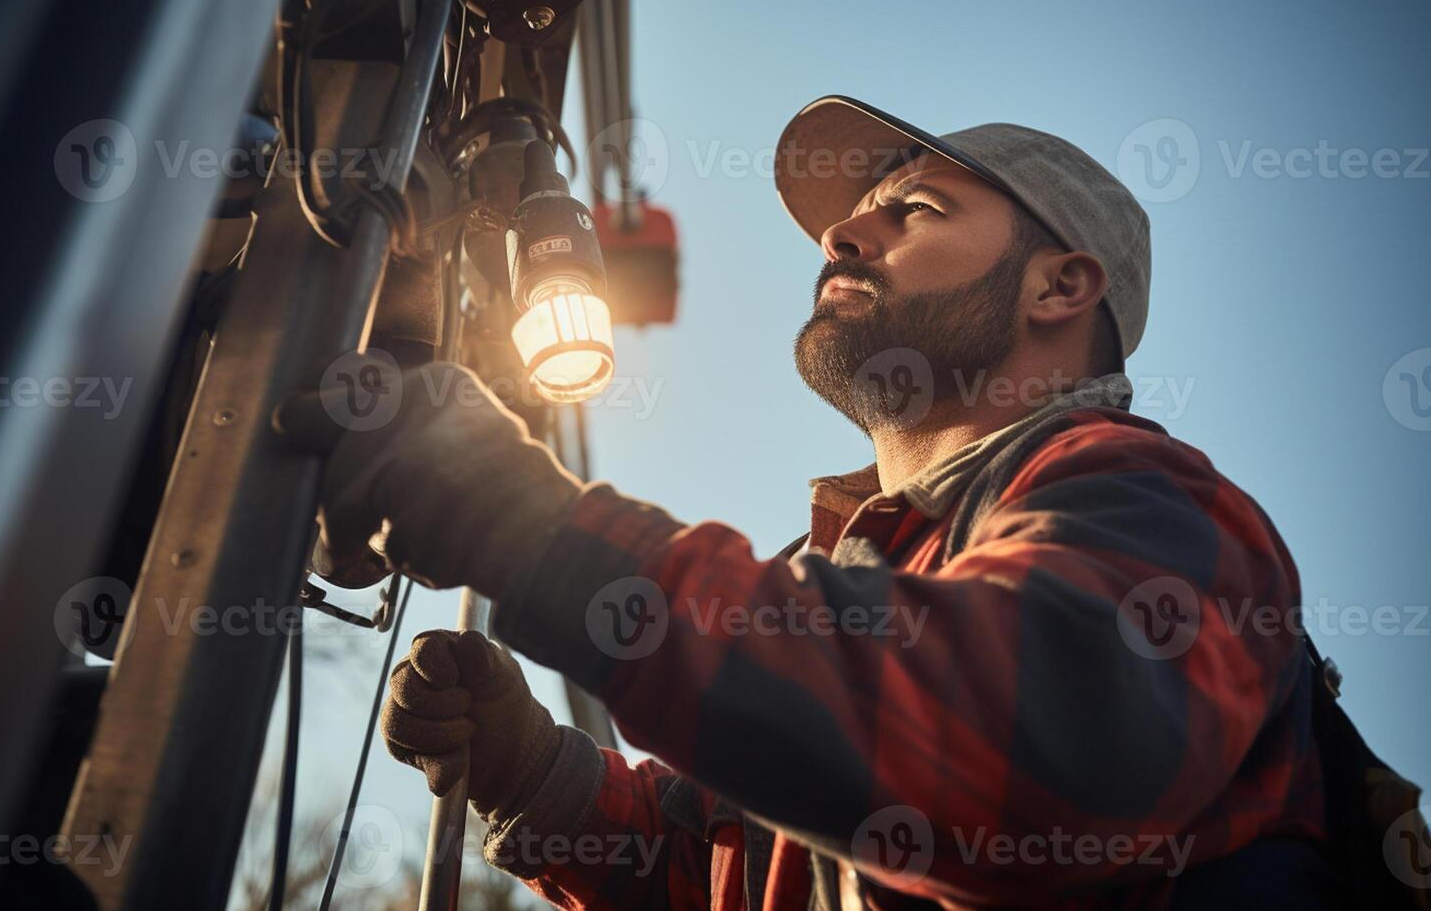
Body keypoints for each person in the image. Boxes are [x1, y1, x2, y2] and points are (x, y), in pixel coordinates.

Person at [283, 96, 1343, 908]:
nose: (843, 233)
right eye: (853, 216)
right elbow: (714, 860)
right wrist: (533, 769)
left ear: (1058, 288)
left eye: (913, 208)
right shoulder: (847, 577)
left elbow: (1018, 745)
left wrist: (530, 527)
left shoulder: (1159, 508)